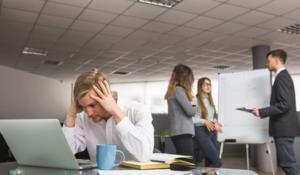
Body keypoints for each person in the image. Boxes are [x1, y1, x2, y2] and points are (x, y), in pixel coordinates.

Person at [62, 68, 154, 162]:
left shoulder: (138, 111)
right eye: (83, 107)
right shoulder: (83, 117)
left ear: (108, 95)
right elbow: (64, 154)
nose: (89, 113)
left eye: (93, 105)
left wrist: (116, 111)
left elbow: (144, 155)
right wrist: (71, 115)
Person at [251, 49, 300, 175]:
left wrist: (262, 112)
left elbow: (284, 104)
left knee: (288, 164)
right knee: (287, 163)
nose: (267, 64)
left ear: (277, 61)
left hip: (283, 130)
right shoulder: (283, 77)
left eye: (268, 61)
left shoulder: (282, 77)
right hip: (284, 129)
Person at [164, 64, 196, 163]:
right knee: (189, 163)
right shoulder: (178, 90)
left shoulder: (173, 90)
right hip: (182, 132)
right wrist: (193, 108)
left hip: (178, 132)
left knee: (183, 163)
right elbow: (190, 112)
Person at [192, 78, 222, 168]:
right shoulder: (194, 100)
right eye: (206, 84)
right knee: (217, 162)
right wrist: (204, 121)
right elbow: (190, 118)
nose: (208, 86)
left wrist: (215, 122)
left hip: (212, 132)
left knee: (210, 162)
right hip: (201, 132)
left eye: (209, 84)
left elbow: (212, 117)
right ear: (200, 85)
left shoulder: (210, 100)